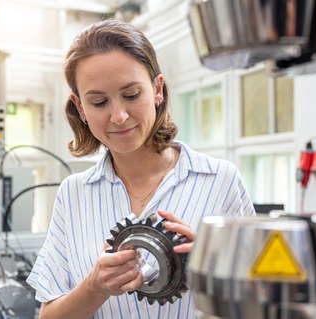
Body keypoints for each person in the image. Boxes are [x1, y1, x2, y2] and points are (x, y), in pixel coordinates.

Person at [26, 19, 255, 319]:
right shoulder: (73, 194)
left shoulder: (220, 181)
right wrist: (95, 286)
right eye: (98, 102)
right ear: (80, 108)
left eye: (132, 95)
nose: (119, 116)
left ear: (157, 89)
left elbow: (261, 302)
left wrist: (211, 269)